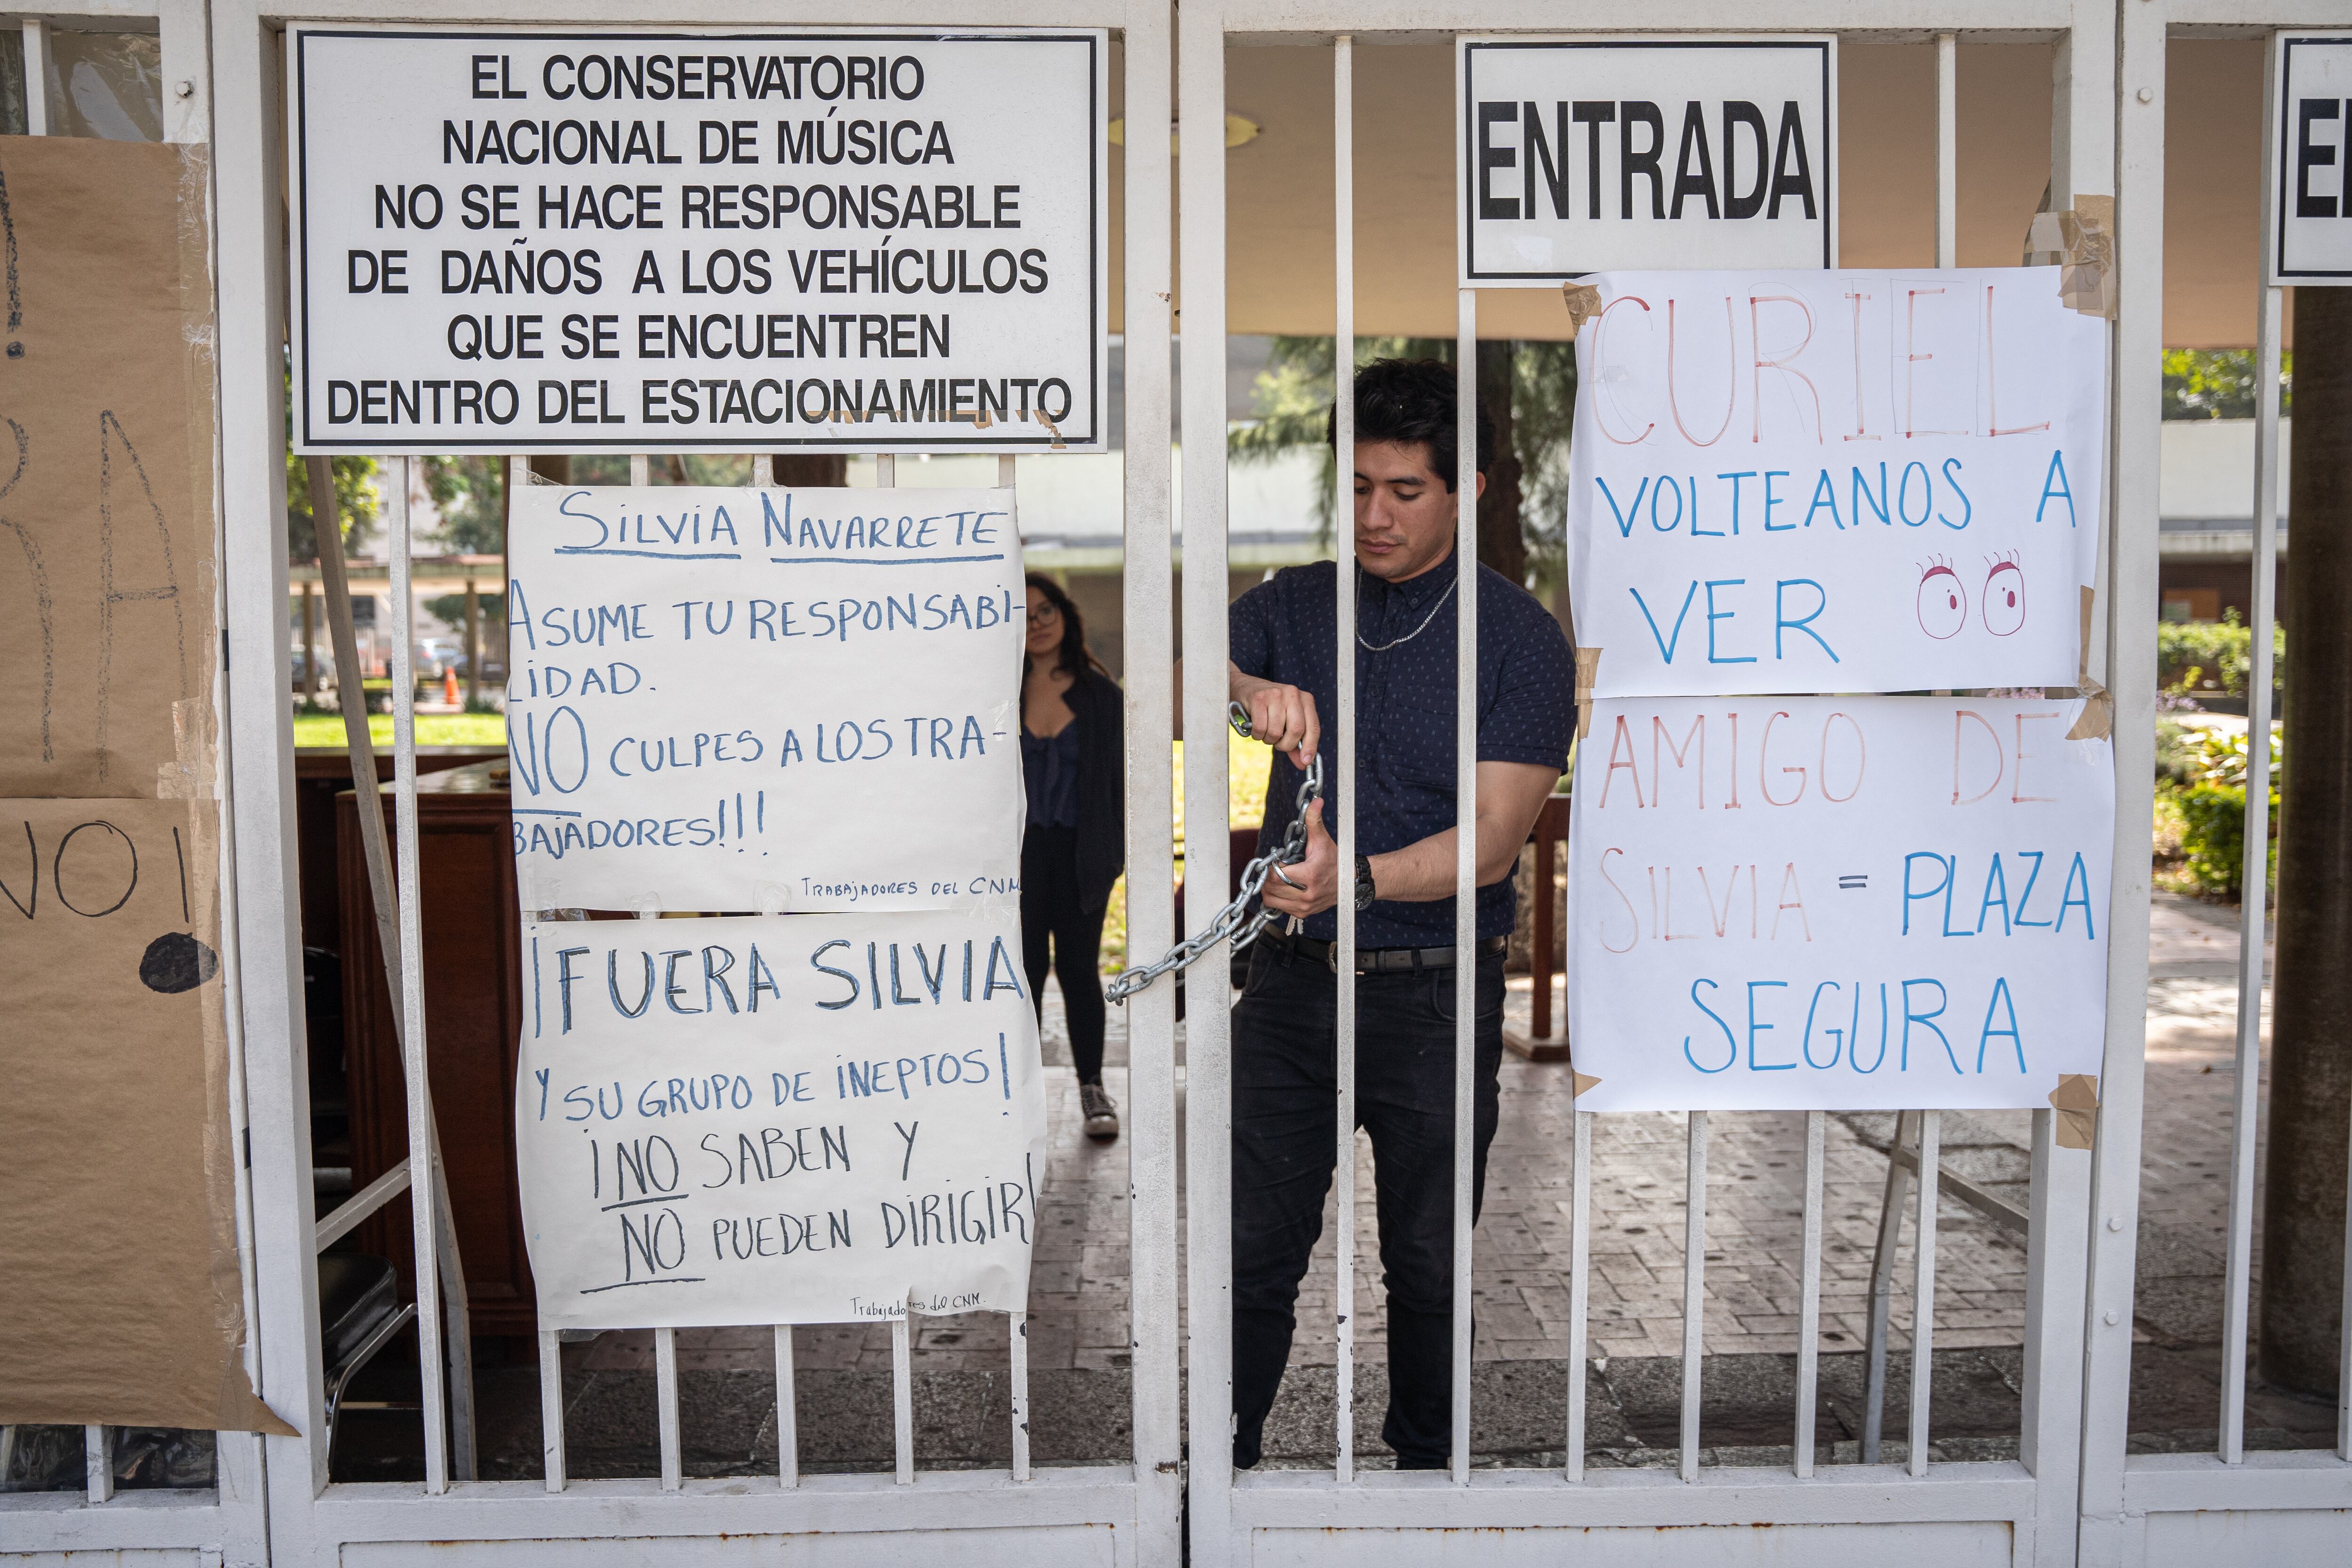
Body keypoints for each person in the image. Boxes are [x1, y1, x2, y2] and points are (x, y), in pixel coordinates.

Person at [1223, 358, 1573, 1469]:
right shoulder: (1295, 601)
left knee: (1426, 1265)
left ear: (1464, 488)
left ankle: (1428, 1477)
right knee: (1252, 1254)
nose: (1373, 514)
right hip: (1287, 987)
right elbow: (1178, 662)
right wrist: (1245, 692)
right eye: (1359, 485)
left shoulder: (1520, 641)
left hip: (1432, 988)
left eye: (1404, 492)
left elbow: (1495, 836)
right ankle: (1218, 1475)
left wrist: (1356, 880)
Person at [1019, 573, 1126, 1141]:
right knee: (1021, 972)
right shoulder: (997, 692)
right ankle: (1018, 1090)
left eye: (1045, 611)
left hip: (1083, 851)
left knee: (1079, 971)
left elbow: (1119, 786)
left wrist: (1112, 855)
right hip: (1017, 857)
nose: (1035, 623)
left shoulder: (1101, 696)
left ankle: (1092, 1087)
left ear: (1065, 615)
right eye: (1023, 612)